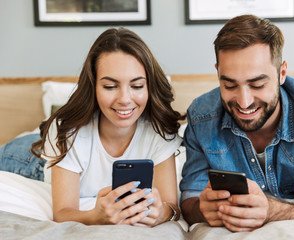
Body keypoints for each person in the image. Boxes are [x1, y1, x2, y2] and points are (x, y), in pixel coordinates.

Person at [180, 14, 294, 232]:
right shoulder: (201, 117)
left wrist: (270, 210)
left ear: (281, 73)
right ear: (217, 72)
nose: (244, 102)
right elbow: (190, 200)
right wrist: (203, 209)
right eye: (229, 85)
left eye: (257, 85)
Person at [1, 27, 182, 226]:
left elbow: (172, 206)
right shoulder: (66, 131)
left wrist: (160, 213)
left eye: (137, 86)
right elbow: (62, 213)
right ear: (93, 86)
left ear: (149, 86)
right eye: (110, 86)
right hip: (28, 159)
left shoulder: (159, 130)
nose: (124, 99)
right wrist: (96, 217)